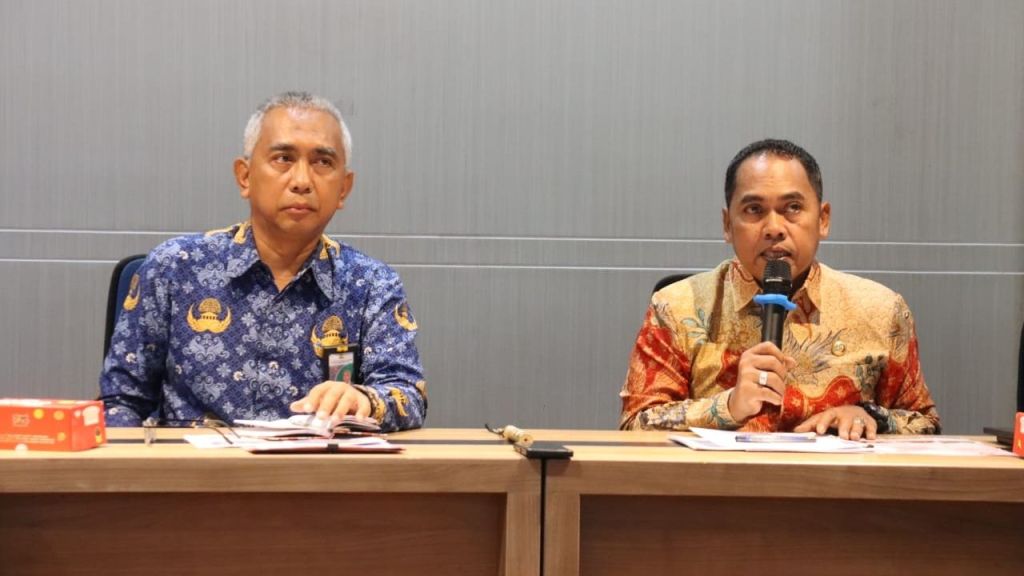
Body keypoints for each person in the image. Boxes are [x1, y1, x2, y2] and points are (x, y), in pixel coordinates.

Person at [101, 91, 426, 431]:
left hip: (317, 465)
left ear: (343, 189)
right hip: (197, 464)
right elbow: (121, 401)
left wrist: (365, 400)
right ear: (245, 176)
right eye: (283, 158)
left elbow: (408, 395)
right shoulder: (174, 268)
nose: (302, 181)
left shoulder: (372, 284)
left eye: (322, 163)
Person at [619, 139, 938, 439]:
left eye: (793, 208)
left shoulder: (882, 310)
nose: (774, 228)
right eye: (754, 210)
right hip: (720, 480)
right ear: (727, 225)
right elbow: (635, 426)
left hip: (833, 480)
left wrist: (869, 416)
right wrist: (727, 407)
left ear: (823, 219)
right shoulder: (676, 307)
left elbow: (925, 424)